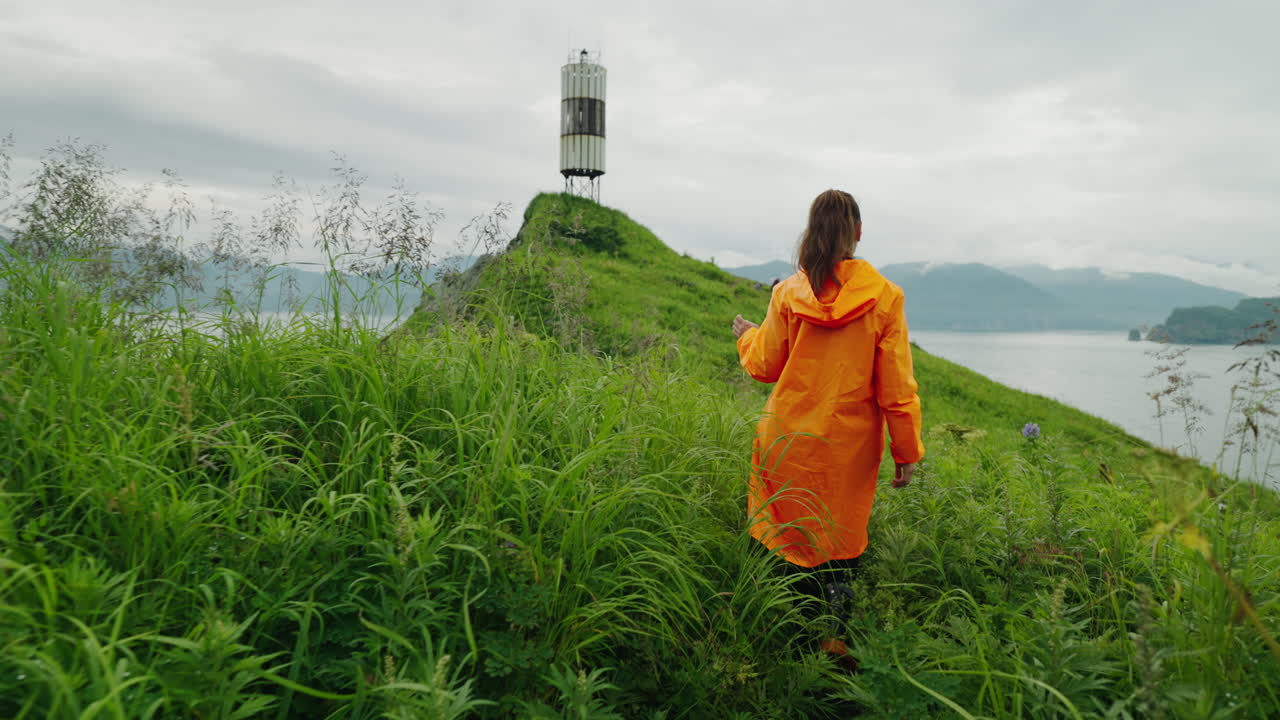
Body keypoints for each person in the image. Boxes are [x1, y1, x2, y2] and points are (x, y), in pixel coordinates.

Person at [731, 189, 924, 659]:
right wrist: (906, 452)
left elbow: (764, 366)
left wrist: (746, 337)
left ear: (813, 231)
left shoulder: (788, 293)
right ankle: (831, 641)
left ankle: (782, 633)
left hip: (787, 437)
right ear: (857, 233)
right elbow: (896, 388)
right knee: (840, 540)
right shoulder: (884, 297)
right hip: (847, 448)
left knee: (785, 533)